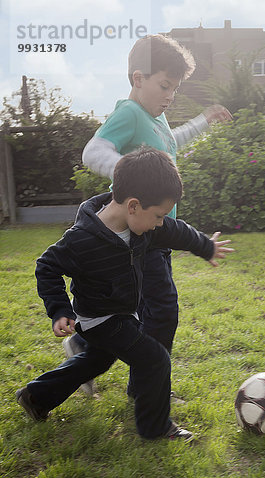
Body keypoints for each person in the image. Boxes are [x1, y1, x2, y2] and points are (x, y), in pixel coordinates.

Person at [16, 148, 234, 441]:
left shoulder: (145, 227)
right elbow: (47, 267)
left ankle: (36, 396)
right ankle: (155, 429)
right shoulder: (82, 240)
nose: (160, 222)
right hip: (98, 319)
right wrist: (60, 310)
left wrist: (205, 247)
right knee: (154, 358)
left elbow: (177, 231)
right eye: (158, 215)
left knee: (97, 360)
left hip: (122, 313)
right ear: (133, 205)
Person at [63, 34, 232, 395]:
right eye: (164, 86)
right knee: (162, 310)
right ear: (138, 79)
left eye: (175, 89)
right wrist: (126, 171)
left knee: (136, 313)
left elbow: (173, 144)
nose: (170, 96)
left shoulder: (157, 120)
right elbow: (93, 151)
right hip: (141, 234)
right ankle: (149, 385)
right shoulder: (130, 113)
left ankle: (85, 348)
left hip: (156, 232)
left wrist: (203, 120)